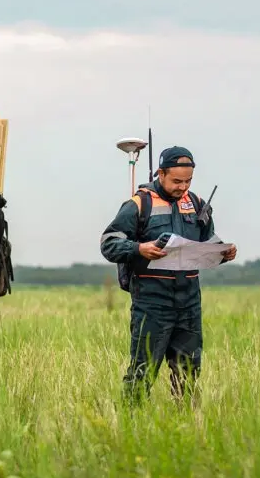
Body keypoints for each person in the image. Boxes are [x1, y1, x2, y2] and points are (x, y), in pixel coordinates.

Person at [99, 146, 237, 405]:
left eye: (188, 181)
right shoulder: (140, 203)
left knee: (189, 372)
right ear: (160, 174)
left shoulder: (196, 204)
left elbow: (208, 240)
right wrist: (140, 248)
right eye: (177, 181)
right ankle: (130, 425)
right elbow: (108, 243)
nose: (183, 187)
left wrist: (223, 252)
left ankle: (186, 428)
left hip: (189, 302)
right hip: (152, 302)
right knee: (143, 371)